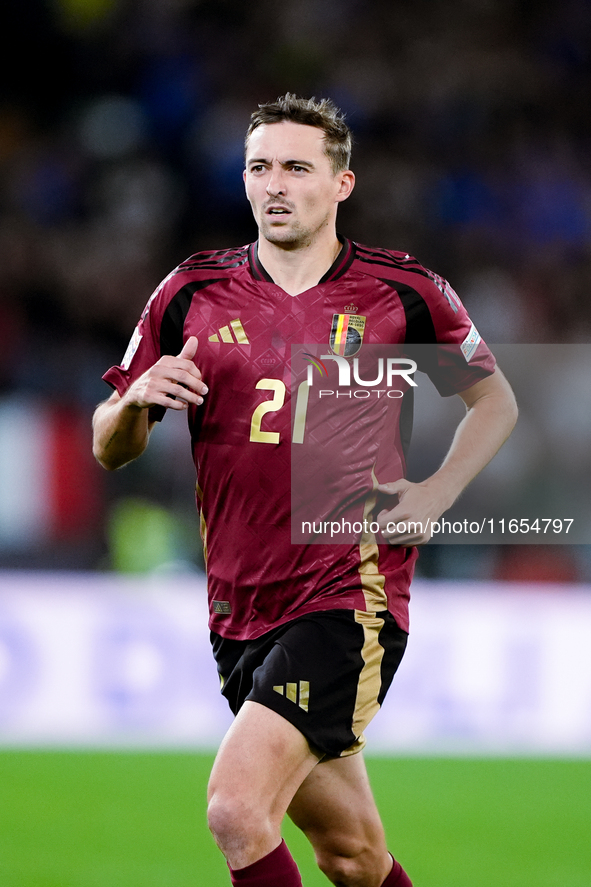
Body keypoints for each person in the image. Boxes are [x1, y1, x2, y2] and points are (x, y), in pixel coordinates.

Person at [92, 94, 518, 887]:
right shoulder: (189, 292)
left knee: (234, 806)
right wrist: (134, 399)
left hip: (344, 593)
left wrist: (434, 491)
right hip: (237, 607)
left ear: (340, 183)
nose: (273, 184)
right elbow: (108, 445)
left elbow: (494, 400)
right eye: (259, 167)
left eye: (295, 167)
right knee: (353, 855)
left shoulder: (403, 292)